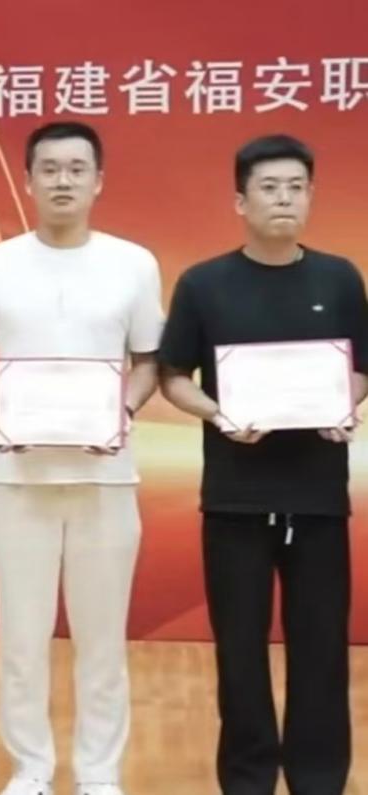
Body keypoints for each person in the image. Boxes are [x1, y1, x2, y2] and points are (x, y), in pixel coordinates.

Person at [0, 121, 164, 795]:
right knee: (21, 637)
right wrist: (9, 409)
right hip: (18, 476)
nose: (63, 181)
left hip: (106, 475)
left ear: (98, 181)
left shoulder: (133, 263)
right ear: (28, 180)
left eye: (77, 169)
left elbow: (149, 361)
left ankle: (99, 773)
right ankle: (31, 769)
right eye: (49, 169)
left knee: (102, 639)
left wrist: (119, 411)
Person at [158, 134, 366, 795]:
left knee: (320, 649)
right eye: (269, 187)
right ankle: (248, 779)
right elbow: (172, 376)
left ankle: (318, 778)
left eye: (296, 187)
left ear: (310, 196)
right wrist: (218, 414)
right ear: (239, 200)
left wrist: (344, 403)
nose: (283, 198)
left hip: (317, 497)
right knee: (239, 652)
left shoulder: (339, 278)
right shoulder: (203, 283)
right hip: (235, 498)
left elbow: (359, 367)